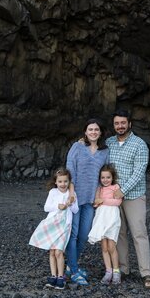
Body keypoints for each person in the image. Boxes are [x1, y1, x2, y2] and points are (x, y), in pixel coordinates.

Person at [106, 110, 150, 288]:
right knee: (119, 233)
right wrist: (82, 142)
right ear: (114, 125)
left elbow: (139, 171)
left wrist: (123, 190)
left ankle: (146, 273)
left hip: (133, 196)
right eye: (117, 123)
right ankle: (124, 269)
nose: (120, 126)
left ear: (129, 124)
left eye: (123, 123)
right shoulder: (109, 143)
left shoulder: (139, 144)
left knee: (139, 233)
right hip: (112, 197)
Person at [64, 119, 109, 286]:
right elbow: (70, 169)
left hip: (91, 199)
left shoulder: (105, 152)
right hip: (75, 197)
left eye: (96, 129)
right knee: (73, 234)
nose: (93, 132)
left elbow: (103, 176)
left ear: (100, 132)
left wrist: (98, 195)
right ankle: (74, 271)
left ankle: (70, 265)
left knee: (84, 235)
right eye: (90, 129)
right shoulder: (77, 147)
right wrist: (71, 191)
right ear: (85, 132)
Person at [29, 168, 78, 290]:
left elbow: (75, 210)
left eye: (65, 181)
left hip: (64, 225)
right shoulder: (53, 192)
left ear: (69, 182)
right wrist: (58, 206)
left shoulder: (71, 194)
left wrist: (71, 203)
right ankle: (53, 275)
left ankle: (61, 277)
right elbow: (46, 207)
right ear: (56, 182)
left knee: (58, 251)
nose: (63, 184)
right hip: (52, 224)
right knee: (51, 251)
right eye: (60, 181)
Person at [87, 164, 123, 285]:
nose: (105, 180)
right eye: (103, 178)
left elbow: (118, 201)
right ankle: (108, 271)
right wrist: (97, 202)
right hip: (101, 219)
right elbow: (96, 203)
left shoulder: (115, 187)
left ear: (112, 177)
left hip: (112, 218)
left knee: (112, 247)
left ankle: (116, 271)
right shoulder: (99, 189)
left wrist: (103, 201)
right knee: (104, 247)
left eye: (108, 177)